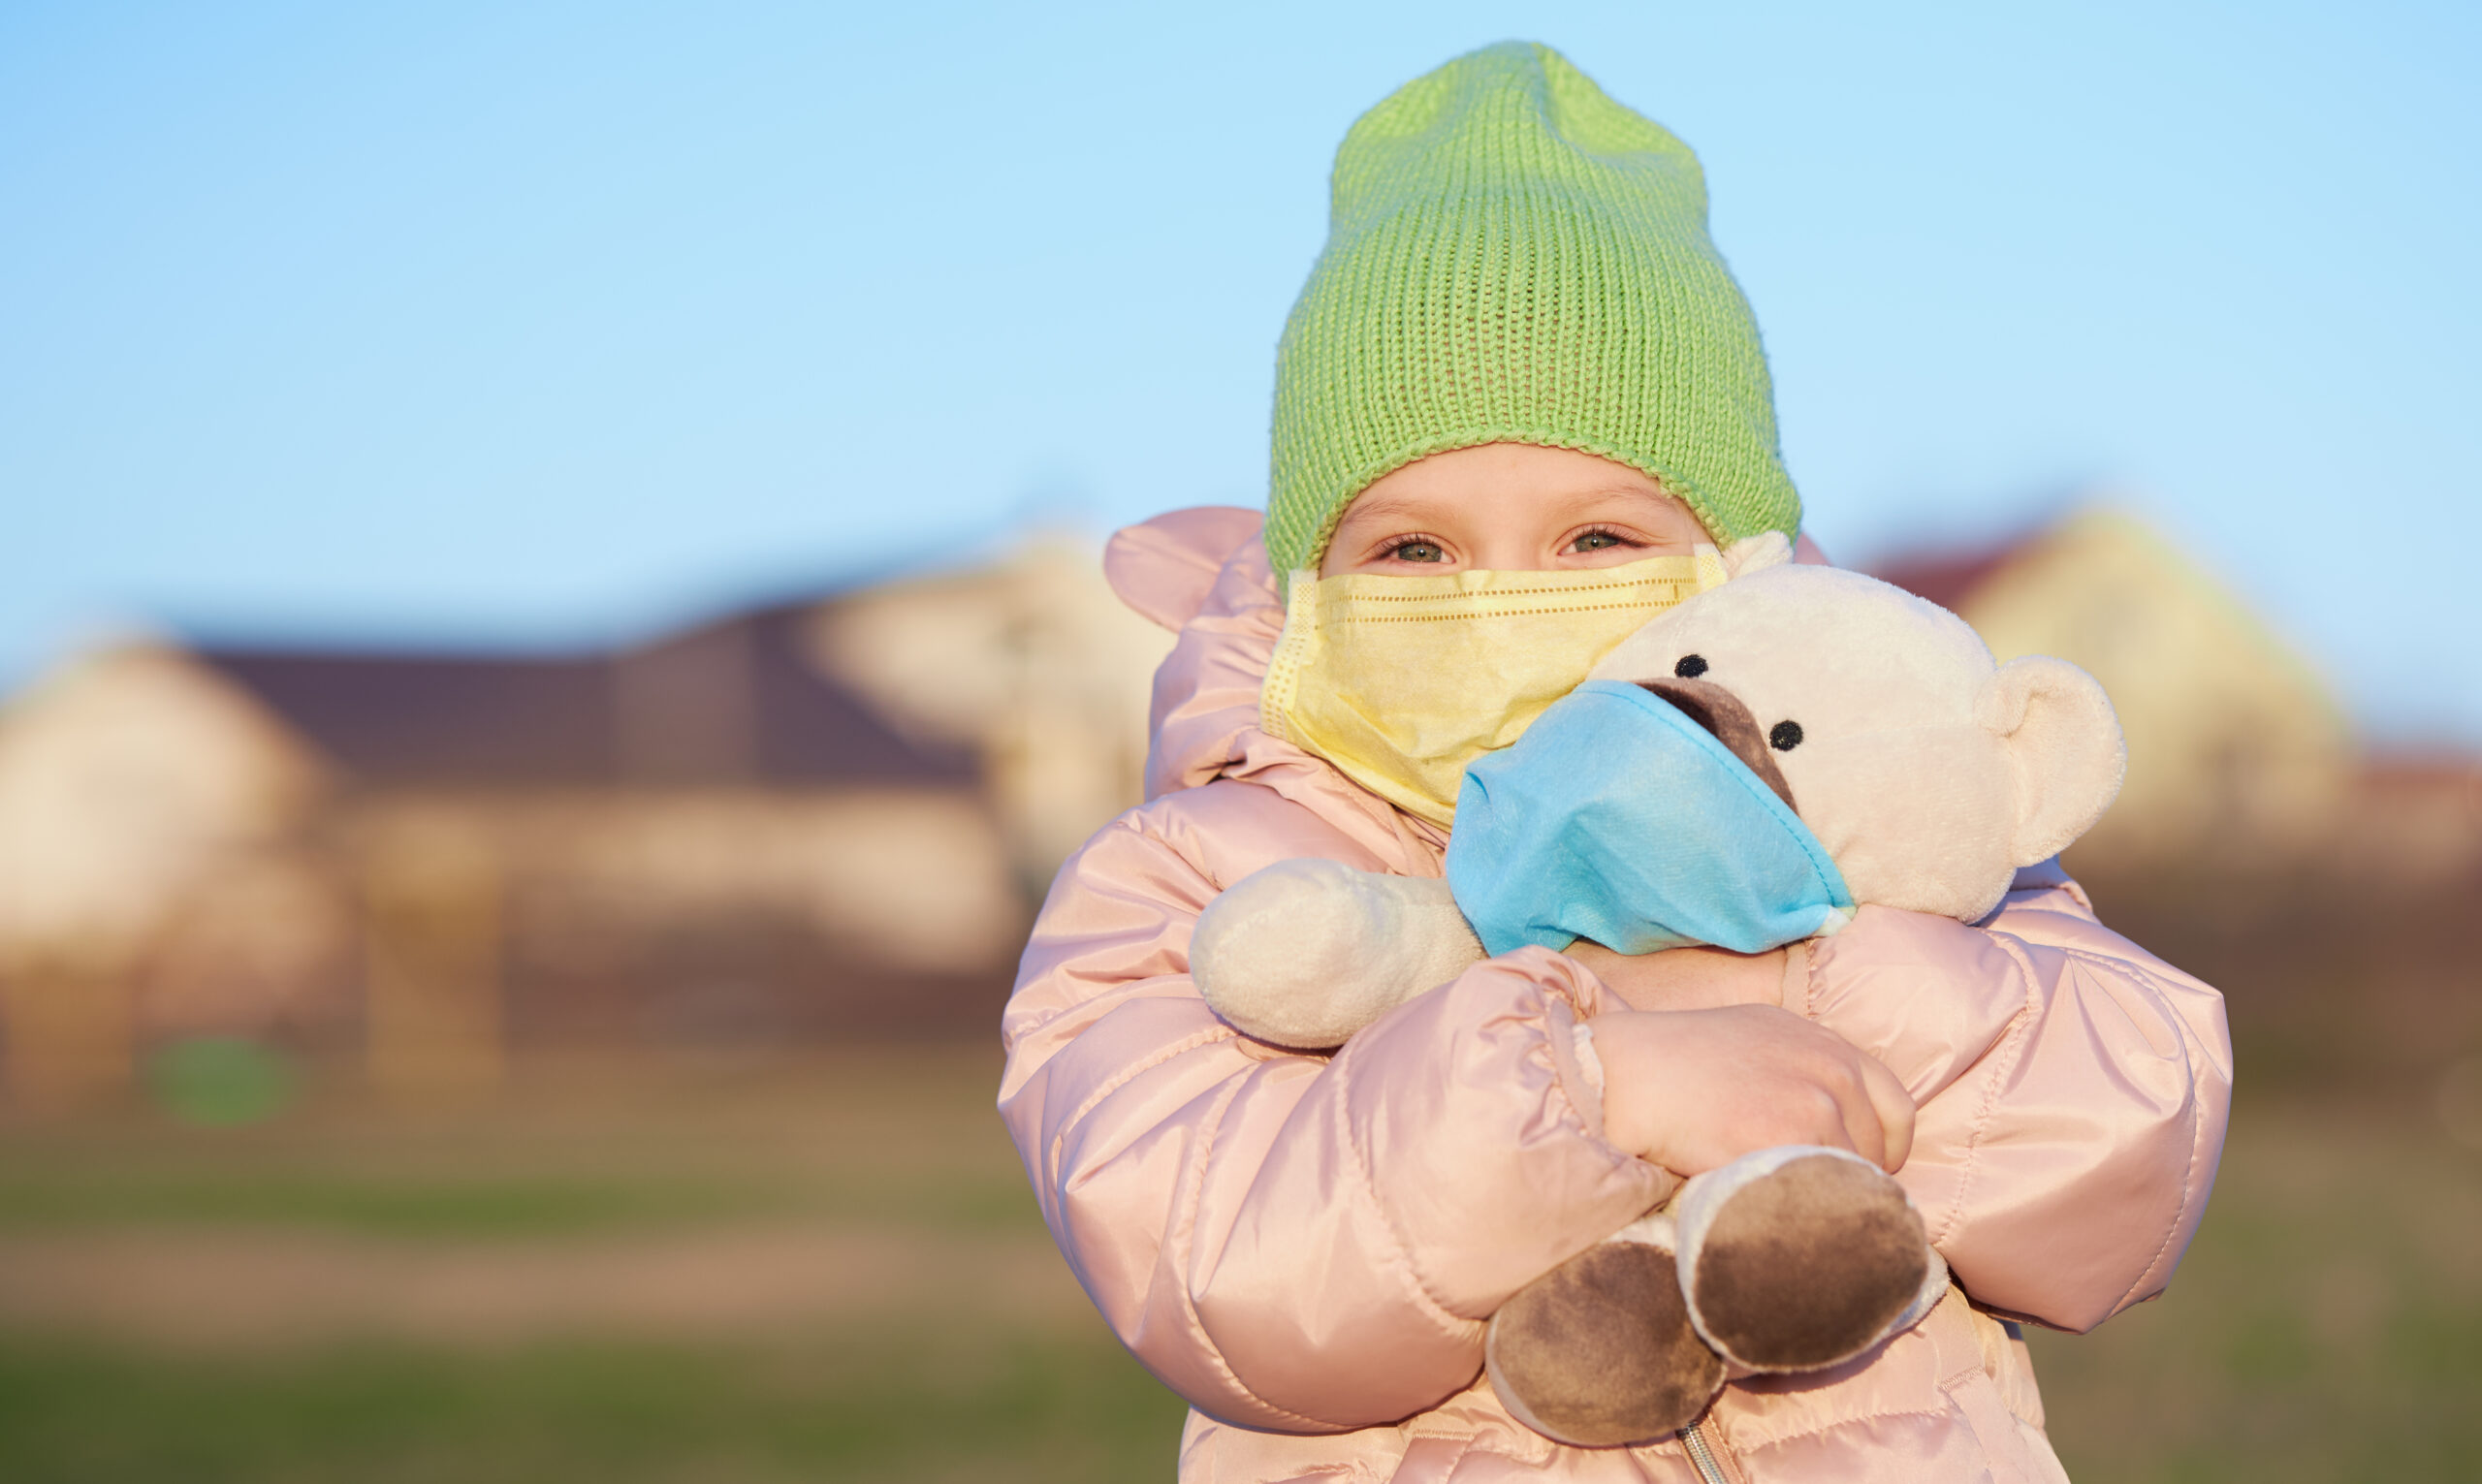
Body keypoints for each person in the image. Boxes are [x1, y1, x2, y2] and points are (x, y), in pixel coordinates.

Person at [999, 42, 2231, 1483]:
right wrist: (1596, 1081)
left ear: (1736, 567)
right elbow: (1222, 1263)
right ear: (1309, 586)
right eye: (1413, 548)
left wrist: (1791, 978)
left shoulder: (1874, 792)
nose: (1503, 597)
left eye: (1598, 540)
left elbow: (2128, 1140)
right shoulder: (1195, 872)